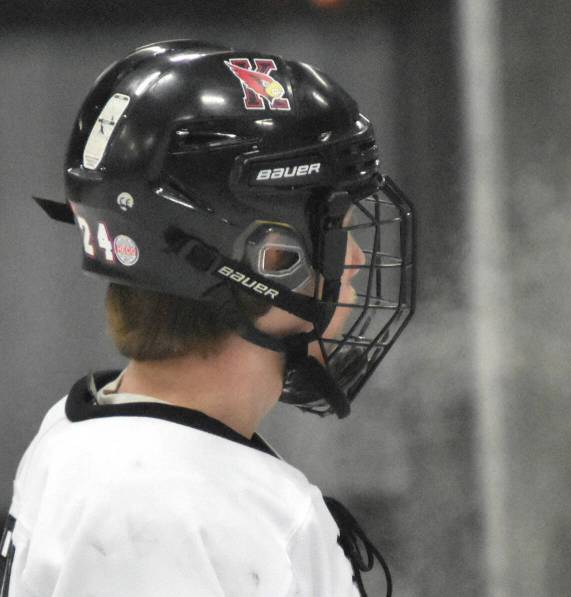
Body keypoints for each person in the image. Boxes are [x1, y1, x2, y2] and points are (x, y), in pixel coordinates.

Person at [0, 39, 415, 597]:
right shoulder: (165, 511)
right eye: (336, 228)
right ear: (271, 260)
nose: (358, 259)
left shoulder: (105, 439)